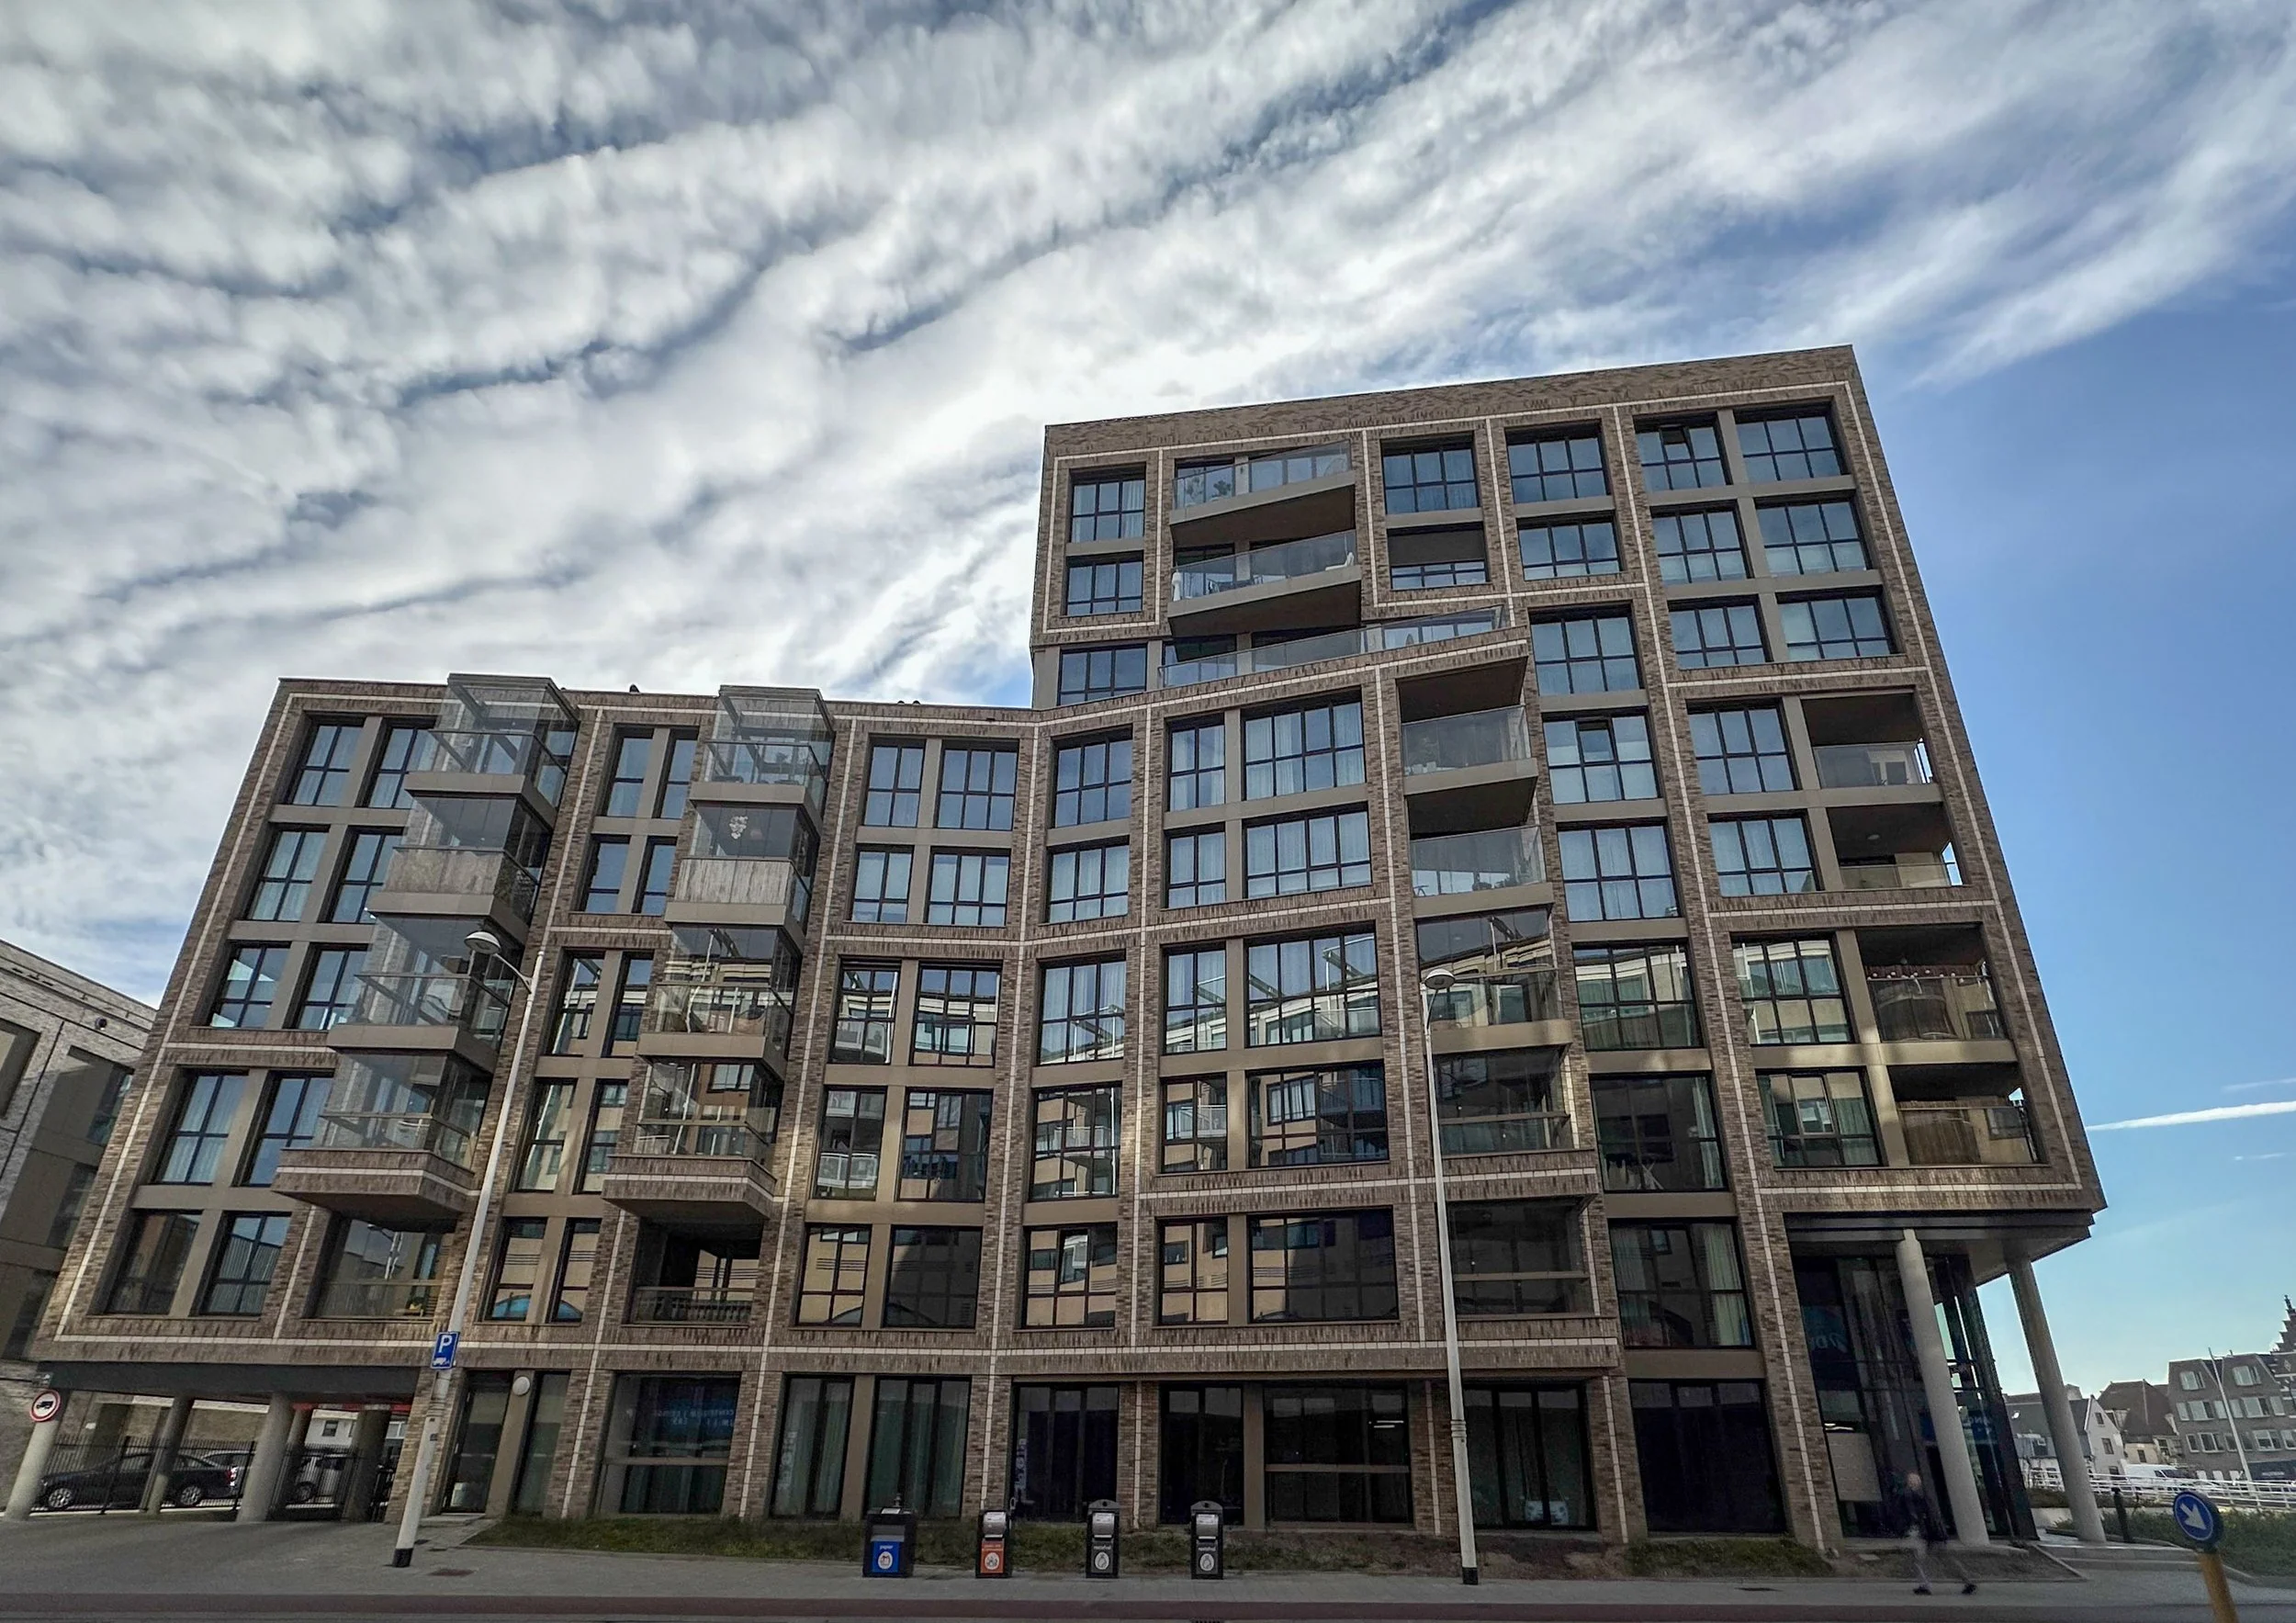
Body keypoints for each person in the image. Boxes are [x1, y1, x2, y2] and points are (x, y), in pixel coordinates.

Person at [1888, 1469, 1976, 1595]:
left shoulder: (1909, 1495)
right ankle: (1967, 1581)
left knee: (1918, 1559)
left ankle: (1925, 1585)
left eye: (1911, 1481)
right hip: (1935, 1532)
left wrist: (1908, 1529)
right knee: (1946, 1558)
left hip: (1923, 1533)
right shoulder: (1925, 1496)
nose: (1911, 1483)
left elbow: (1912, 1515)